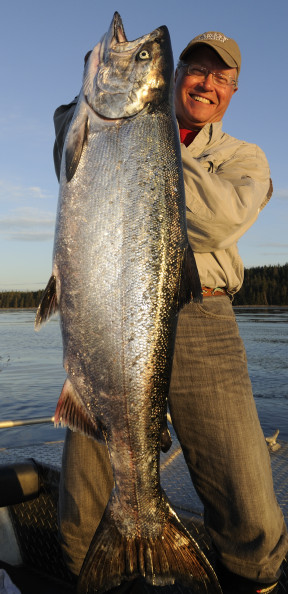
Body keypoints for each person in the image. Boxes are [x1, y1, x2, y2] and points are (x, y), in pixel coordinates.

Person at [53, 32, 288, 594]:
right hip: (107, 312)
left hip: (204, 321)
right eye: (196, 70)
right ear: (175, 77)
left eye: (221, 78)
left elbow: (219, 220)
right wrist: (102, 106)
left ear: (231, 91)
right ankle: (89, 575)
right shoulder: (107, 127)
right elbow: (66, 146)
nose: (207, 84)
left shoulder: (243, 158)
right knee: (82, 500)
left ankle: (252, 579)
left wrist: (141, 137)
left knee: (248, 500)